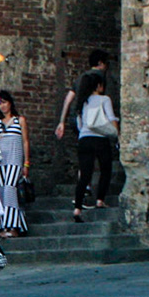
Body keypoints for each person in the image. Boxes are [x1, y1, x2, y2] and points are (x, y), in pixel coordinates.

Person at [55, 52, 116, 223]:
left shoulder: (82, 95)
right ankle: (100, 199)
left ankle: (78, 207)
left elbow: (68, 99)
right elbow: (110, 117)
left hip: (84, 134)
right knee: (105, 168)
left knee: (85, 171)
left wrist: (62, 121)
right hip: (100, 136)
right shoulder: (102, 91)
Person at [0, 90, 28, 235]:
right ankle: (1, 226)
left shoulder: (20, 120)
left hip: (15, 159)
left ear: (10, 103)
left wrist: (26, 162)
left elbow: (25, 141)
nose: (2, 106)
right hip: (0, 161)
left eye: (4, 103)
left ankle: (13, 226)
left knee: (9, 189)